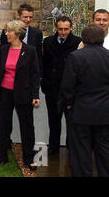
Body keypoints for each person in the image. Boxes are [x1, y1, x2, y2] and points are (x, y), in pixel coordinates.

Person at [59, 24, 109, 177]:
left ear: (84, 38)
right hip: (105, 114)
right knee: (105, 152)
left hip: (80, 113)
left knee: (81, 154)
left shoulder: (75, 56)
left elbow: (67, 86)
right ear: (102, 38)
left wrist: (68, 105)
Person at [0, 20, 40, 171]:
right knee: (4, 126)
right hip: (5, 92)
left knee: (27, 127)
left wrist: (35, 95)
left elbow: (34, 75)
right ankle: (2, 157)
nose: (6, 34)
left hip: (23, 93)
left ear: (17, 33)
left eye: (9, 32)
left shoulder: (30, 50)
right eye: (6, 31)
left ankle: (29, 158)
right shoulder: (3, 49)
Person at [41, 16, 81, 155]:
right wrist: (44, 83)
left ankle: (72, 149)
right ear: (56, 28)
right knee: (53, 121)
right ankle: (53, 148)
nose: (63, 32)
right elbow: (44, 64)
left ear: (71, 28)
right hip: (52, 89)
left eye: (66, 29)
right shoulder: (48, 41)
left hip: (70, 91)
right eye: (60, 29)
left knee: (71, 122)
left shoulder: (78, 42)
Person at [0, 4, 43, 72]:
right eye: (25, 17)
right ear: (18, 16)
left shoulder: (37, 33)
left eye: (30, 17)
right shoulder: (6, 32)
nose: (28, 20)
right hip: (10, 69)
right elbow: (2, 54)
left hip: (29, 72)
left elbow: (39, 56)